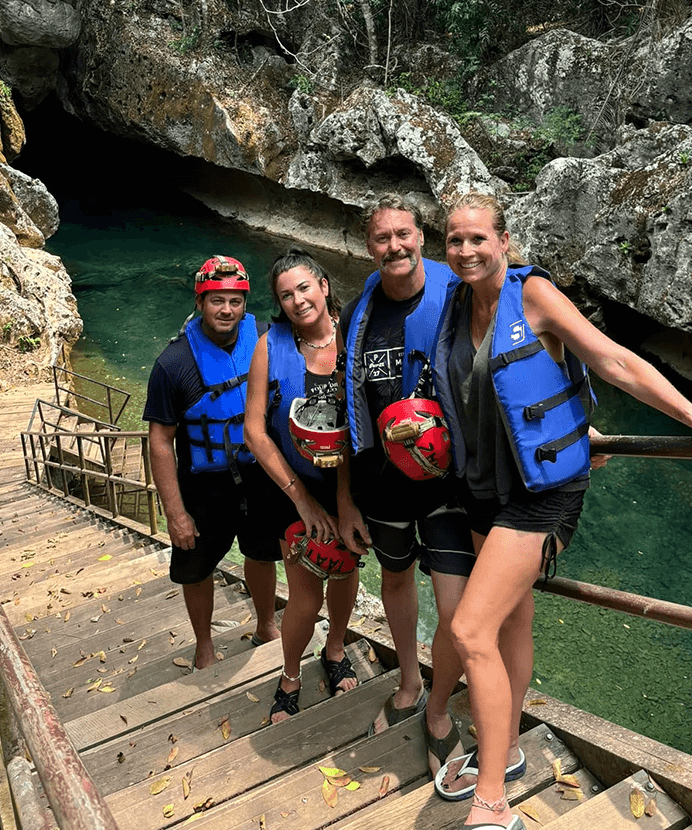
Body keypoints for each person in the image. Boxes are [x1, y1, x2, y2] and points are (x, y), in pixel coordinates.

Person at [431, 192, 692, 830]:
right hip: (485, 485)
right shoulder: (456, 301)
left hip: (541, 493)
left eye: (477, 239)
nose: (465, 251)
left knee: (470, 631)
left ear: (503, 240)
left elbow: (613, 360)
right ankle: (510, 749)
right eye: (454, 241)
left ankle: (492, 804)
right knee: (507, 626)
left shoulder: (534, 297)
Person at [336, 196, 476, 780]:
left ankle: (439, 707)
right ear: (367, 247)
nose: (394, 246)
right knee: (395, 577)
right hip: (381, 485)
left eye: (403, 234)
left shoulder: (459, 297)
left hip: (447, 483)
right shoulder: (357, 314)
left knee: (455, 609)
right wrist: (344, 499)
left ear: (424, 237)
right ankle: (408, 682)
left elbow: (506, 363)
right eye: (381, 238)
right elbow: (347, 414)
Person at [144, 255, 280, 670]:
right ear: (200, 302)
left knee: (262, 554)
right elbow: (161, 441)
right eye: (217, 300)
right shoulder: (173, 365)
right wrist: (175, 512)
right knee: (196, 568)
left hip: (259, 477)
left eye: (235, 301)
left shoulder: (263, 338)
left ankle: (266, 624)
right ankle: (204, 645)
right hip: (205, 487)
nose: (227, 310)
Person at [244, 248, 360, 722]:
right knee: (306, 594)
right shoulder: (270, 346)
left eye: (304, 288)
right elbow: (254, 430)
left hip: (350, 489)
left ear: (324, 285)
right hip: (292, 490)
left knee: (347, 571)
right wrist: (304, 500)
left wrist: (345, 501)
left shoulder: (356, 336)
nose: (297, 301)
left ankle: (335, 651)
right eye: (285, 295)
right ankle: (290, 674)